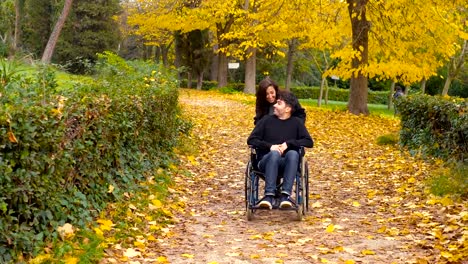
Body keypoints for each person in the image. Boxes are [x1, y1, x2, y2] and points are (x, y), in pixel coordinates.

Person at [247, 91, 313, 209]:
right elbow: (251, 140)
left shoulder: (296, 123)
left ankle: (285, 196)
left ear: (287, 109)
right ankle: (269, 196)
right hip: (265, 162)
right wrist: (270, 146)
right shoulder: (266, 121)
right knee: (274, 154)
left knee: (293, 153)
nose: (274, 105)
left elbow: (309, 142)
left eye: (278, 103)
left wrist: (289, 143)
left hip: (287, 164)